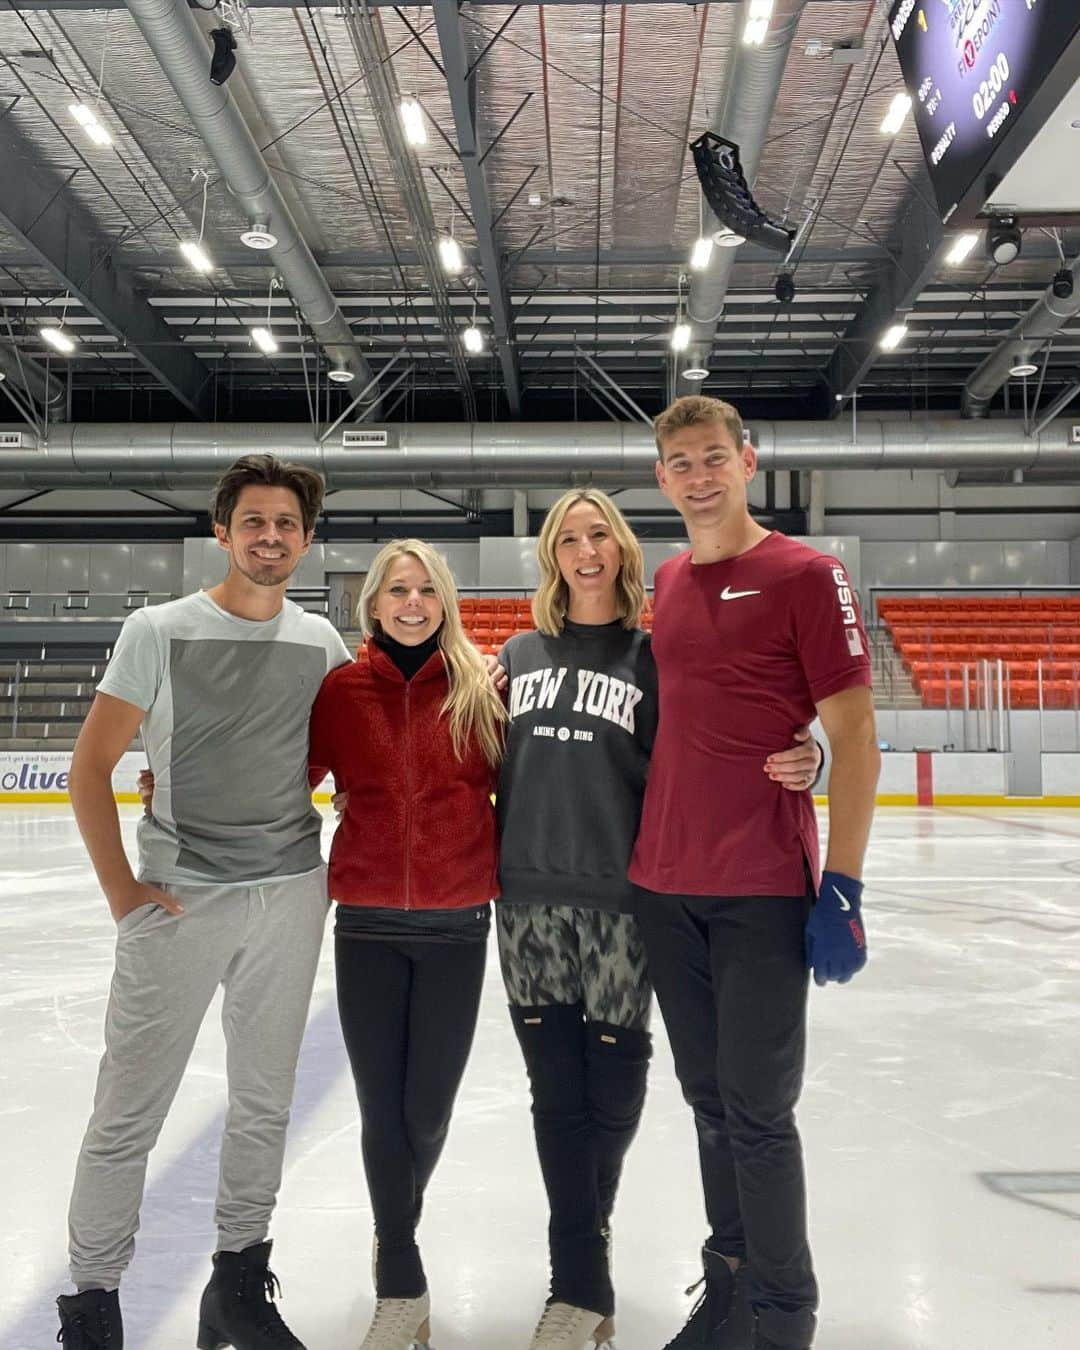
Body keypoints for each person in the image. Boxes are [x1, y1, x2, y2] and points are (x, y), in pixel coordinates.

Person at [495, 489, 825, 1350]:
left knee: (619, 1092)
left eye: (598, 532)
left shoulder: (656, 656)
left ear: (623, 548)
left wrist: (809, 751)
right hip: (525, 905)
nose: (584, 549)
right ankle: (577, 1278)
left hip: (628, 904)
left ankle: (622, 1263)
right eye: (568, 537)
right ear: (551, 556)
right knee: (552, 1097)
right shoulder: (515, 652)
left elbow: (726, 732)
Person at [58, 455, 352, 1350]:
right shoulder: (158, 629)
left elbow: (352, 760)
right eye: (253, 522)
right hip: (179, 903)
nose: (271, 538)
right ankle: (94, 1301)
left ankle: (236, 1287)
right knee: (127, 1111)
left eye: (287, 525)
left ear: (306, 539)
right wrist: (123, 893)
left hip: (291, 898)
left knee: (264, 1102)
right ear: (222, 532)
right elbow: (90, 767)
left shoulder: (322, 643)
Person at [628, 396, 881, 1350]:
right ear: (662, 478)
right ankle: (727, 1289)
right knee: (706, 1103)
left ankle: (783, 1316)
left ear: (748, 460)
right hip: (663, 885)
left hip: (762, 888)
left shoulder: (808, 575)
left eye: (711, 458)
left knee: (759, 1111)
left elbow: (854, 740)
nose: (698, 476)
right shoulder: (668, 579)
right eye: (679, 463)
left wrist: (843, 888)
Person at [307, 539, 505, 1350]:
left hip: (458, 920)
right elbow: (288, 776)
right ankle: (400, 1273)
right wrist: (173, 786)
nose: (412, 602)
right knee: (379, 1106)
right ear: (374, 602)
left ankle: (396, 1230)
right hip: (369, 923)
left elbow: (536, 781)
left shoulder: (482, 687)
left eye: (426, 589)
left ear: (444, 599)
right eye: (398, 589)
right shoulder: (343, 690)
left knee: (424, 1111)